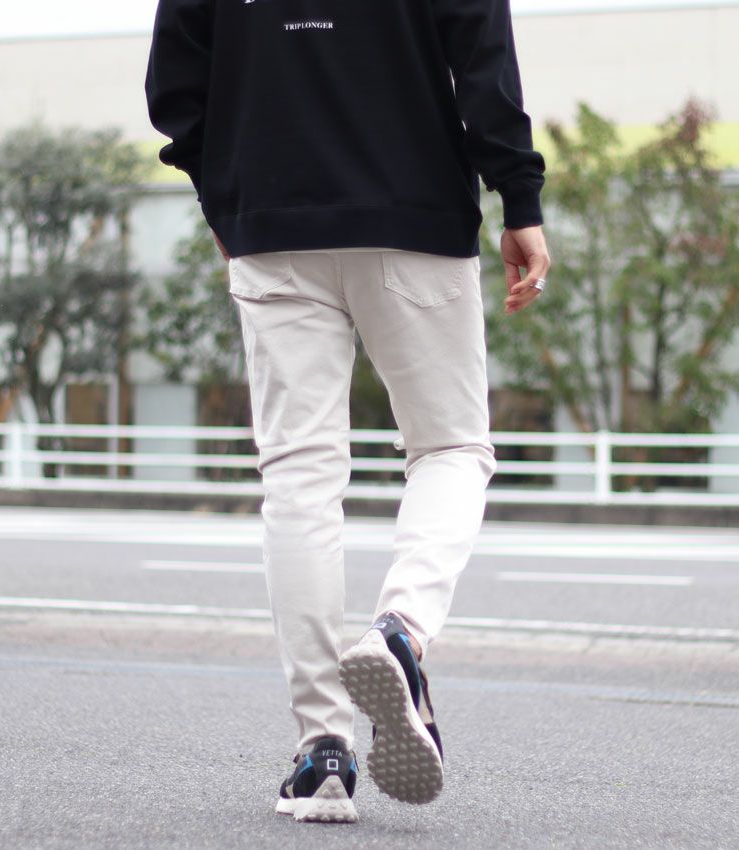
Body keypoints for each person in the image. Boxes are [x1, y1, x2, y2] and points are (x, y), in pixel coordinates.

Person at [146, 0, 551, 824]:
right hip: (415, 212)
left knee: (299, 477)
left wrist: (224, 197)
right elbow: (482, 56)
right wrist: (521, 199)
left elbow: (175, 82)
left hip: (272, 223)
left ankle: (322, 752)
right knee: (451, 447)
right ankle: (402, 629)